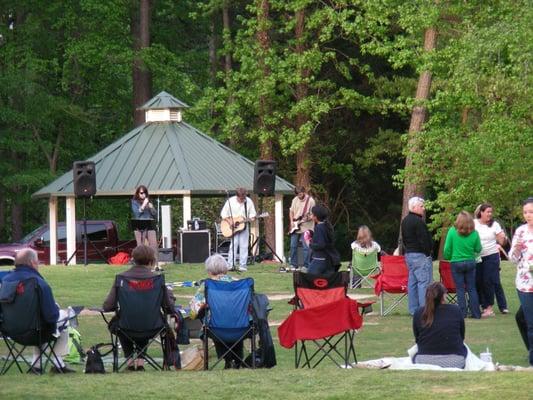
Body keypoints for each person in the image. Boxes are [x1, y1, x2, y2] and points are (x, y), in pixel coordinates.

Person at [2, 249, 75, 373]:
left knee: (37, 321)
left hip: (11, 332)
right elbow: (51, 316)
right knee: (65, 317)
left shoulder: (5, 281)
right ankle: (58, 364)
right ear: (32, 262)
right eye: (38, 262)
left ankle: (36, 366)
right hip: (35, 333)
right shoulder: (39, 283)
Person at [103, 245, 175, 371]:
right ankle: (140, 362)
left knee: (122, 323)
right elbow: (169, 307)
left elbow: (108, 306)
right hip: (153, 326)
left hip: (126, 327)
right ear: (151, 260)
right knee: (144, 319)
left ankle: (130, 362)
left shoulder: (121, 278)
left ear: (133, 259)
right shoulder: (157, 279)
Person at [189, 254, 242, 369]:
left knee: (214, 320)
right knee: (229, 319)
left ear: (209, 271)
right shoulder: (239, 283)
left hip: (216, 327)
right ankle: (236, 359)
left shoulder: (207, 285)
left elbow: (194, 310)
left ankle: (228, 359)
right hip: (241, 326)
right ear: (226, 268)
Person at [412, 282, 467, 369]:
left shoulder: (419, 312)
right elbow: (462, 335)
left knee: (413, 350)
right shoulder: (455, 310)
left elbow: (417, 338)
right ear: (444, 296)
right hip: (455, 362)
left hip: (423, 361)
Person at [443, 211, 482, 319]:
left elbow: (447, 249)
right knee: (471, 288)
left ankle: (462, 313)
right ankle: (476, 313)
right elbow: (478, 249)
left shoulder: (452, 231)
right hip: (470, 261)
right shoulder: (474, 233)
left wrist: (449, 257)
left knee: (460, 289)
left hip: (456, 262)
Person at [509, 197, 533, 366]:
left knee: (526, 319)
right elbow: (512, 258)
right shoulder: (520, 231)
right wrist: (516, 250)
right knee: (525, 319)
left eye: (531, 212)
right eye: (525, 212)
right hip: (525, 283)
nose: (528, 215)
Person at [474, 203, 509, 317]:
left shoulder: (495, 225)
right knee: (479, 281)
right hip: (478, 256)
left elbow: (502, 242)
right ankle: (484, 305)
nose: (490, 214)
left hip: (492, 255)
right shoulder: (474, 223)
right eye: (487, 212)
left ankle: (495, 306)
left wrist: (502, 237)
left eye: (491, 212)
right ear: (481, 213)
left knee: (490, 280)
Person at [401, 196, 434, 315]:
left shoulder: (405, 221)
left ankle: (413, 309)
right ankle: (424, 309)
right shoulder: (418, 222)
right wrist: (428, 252)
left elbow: (404, 239)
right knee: (423, 282)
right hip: (420, 255)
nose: (423, 209)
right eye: (421, 206)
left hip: (409, 254)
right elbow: (423, 240)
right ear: (414, 207)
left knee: (413, 282)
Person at [220, 188, 257, 272]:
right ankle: (230, 265)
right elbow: (223, 214)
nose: (242, 200)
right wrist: (230, 222)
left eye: (243, 198)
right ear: (237, 196)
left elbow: (253, 214)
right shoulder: (230, 201)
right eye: (240, 198)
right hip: (232, 227)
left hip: (243, 226)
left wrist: (252, 218)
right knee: (233, 245)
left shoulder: (249, 201)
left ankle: (242, 266)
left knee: (244, 246)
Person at [288, 186, 316, 271]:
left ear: (304, 192)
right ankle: (293, 265)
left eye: (300, 194)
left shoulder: (310, 201)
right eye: (297, 194)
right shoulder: (295, 199)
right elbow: (291, 211)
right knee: (293, 246)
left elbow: (313, 215)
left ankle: (306, 265)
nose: (299, 196)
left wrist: (307, 219)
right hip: (295, 226)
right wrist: (291, 222)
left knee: (306, 247)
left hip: (306, 226)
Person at [306, 204, 337, 275]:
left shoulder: (319, 228)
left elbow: (321, 244)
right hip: (327, 258)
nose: (310, 216)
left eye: (311, 214)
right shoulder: (325, 226)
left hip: (319, 259)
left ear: (315, 217)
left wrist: (309, 244)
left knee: (310, 277)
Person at [131, 185, 158, 255]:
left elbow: (155, 215)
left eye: (145, 193)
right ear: (138, 193)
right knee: (140, 247)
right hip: (139, 227)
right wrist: (144, 204)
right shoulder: (134, 202)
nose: (143, 194)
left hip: (149, 226)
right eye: (141, 193)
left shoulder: (149, 201)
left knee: (153, 246)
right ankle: (141, 264)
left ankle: (154, 264)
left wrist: (152, 208)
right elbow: (137, 214)